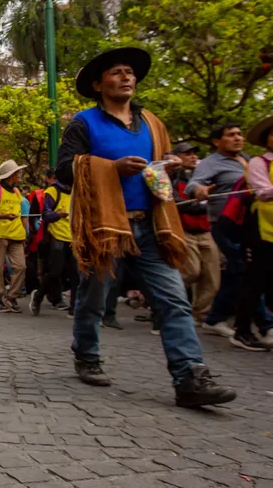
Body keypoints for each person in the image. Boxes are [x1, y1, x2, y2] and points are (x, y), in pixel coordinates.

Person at [58, 47, 234, 407]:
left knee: (174, 302)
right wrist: (111, 167)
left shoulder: (153, 123)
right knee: (93, 299)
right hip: (105, 230)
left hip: (153, 228)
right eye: (117, 72)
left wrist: (167, 165)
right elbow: (63, 172)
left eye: (130, 73)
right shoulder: (84, 122)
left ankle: (190, 377)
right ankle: (87, 356)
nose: (126, 77)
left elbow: (161, 173)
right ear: (98, 83)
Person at [188, 124, 273, 342]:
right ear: (217, 141)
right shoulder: (211, 163)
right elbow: (194, 185)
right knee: (244, 271)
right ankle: (263, 325)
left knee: (243, 273)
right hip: (226, 225)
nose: (237, 138)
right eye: (231, 135)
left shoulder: (247, 159)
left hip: (251, 226)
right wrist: (200, 190)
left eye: (239, 134)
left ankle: (215, 317)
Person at [170, 143, 220, 326]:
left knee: (213, 278)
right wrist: (198, 203)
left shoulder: (203, 176)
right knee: (191, 271)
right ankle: (162, 303)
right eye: (187, 154)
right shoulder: (173, 177)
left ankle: (198, 317)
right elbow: (174, 203)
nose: (192, 157)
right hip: (184, 230)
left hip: (206, 231)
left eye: (194, 154)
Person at [240, 116, 273, 347]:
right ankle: (242, 329)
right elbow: (262, 191)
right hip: (263, 228)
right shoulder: (259, 162)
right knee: (256, 280)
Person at [0, 160, 28, 313]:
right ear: (11, 175)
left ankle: (11, 297)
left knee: (21, 266)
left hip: (16, 235)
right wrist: (4, 216)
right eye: (17, 173)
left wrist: (24, 232)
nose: (19, 175)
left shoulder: (16, 192)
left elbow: (21, 214)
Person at [31, 170, 74, 315]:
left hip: (73, 237)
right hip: (57, 236)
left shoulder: (76, 191)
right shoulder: (52, 191)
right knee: (55, 271)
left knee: (76, 273)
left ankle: (74, 308)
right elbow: (45, 214)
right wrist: (58, 214)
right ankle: (38, 297)